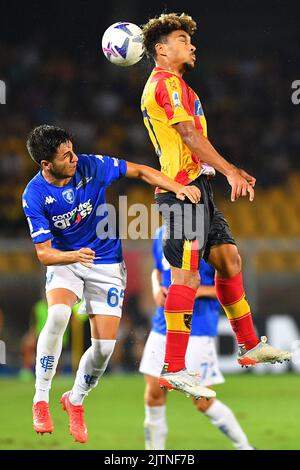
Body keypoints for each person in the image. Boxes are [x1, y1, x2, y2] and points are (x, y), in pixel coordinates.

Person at [140, 13, 291, 397]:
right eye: (181, 38)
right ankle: (174, 366)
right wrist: (230, 170)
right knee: (187, 277)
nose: (191, 45)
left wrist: (218, 171)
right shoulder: (165, 84)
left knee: (229, 260)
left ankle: (250, 345)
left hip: (199, 188)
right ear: (161, 49)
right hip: (181, 191)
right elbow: (188, 135)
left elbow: (192, 142)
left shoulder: (180, 86)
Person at [22, 124, 202, 444]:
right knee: (58, 316)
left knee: (104, 349)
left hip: (105, 262)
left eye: (73, 149)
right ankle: (40, 398)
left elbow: (142, 172)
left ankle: (75, 400)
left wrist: (177, 187)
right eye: (66, 156)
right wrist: (73, 255)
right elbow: (44, 255)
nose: (75, 158)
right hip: (67, 261)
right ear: (46, 164)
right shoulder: (34, 195)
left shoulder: (91, 166)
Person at [139, 225, 254, 450]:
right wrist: (155, 288)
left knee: (203, 401)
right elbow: (158, 270)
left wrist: (194, 290)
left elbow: (231, 286)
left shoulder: (212, 236)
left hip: (198, 328)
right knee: (153, 395)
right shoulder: (162, 233)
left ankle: (245, 447)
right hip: (163, 325)